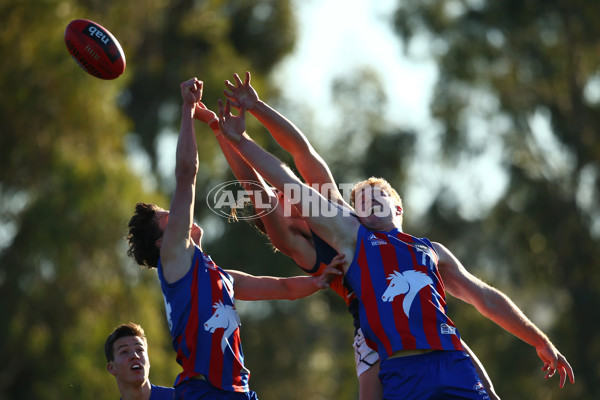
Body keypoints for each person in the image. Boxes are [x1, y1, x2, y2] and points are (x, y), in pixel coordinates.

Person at [216, 93, 575, 399]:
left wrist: (538, 339)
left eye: (377, 197)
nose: (366, 202)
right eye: (360, 202)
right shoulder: (348, 236)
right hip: (387, 351)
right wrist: (236, 140)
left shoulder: (428, 249)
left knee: (454, 340)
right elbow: (281, 180)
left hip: (445, 355)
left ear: (398, 207)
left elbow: (485, 296)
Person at [125, 78, 343, 400]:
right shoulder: (175, 258)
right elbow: (187, 174)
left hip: (237, 391)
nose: (175, 214)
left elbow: (280, 287)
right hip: (204, 392)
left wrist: (319, 281)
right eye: (165, 217)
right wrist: (186, 110)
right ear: (162, 242)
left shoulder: (217, 277)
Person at [105, 322, 175, 400]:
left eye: (139, 350)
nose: (135, 356)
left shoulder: (179, 397)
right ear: (111, 368)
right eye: (124, 352)